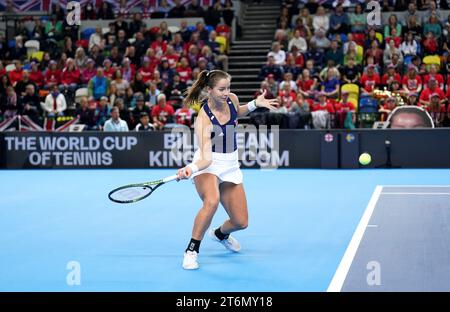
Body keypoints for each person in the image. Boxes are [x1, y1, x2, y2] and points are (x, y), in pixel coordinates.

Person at [176, 70, 278, 270]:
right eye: (221, 89)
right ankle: (191, 251)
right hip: (209, 164)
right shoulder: (203, 119)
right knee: (211, 201)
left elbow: (237, 112)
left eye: (228, 88)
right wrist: (191, 168)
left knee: (241, 222)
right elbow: (205, 158)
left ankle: (220, 234)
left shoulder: (231, 99)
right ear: (209, 90)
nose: (226, 93)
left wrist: (254, 104)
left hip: (230, 164)